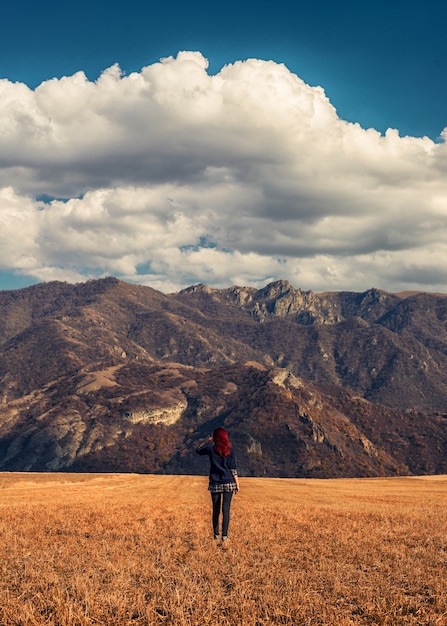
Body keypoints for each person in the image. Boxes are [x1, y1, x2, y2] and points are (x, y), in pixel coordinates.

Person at [196, 427, 239, 542]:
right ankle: (225, 536)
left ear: (215, 437)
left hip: (215, 483)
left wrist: (206, 442)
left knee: (216, 510)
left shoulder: (210, 449)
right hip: (228, 482)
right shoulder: (230, 449)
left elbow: (198, 450)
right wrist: (237, 484)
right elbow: (233, 468)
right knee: (226, 510)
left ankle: (216, 535)